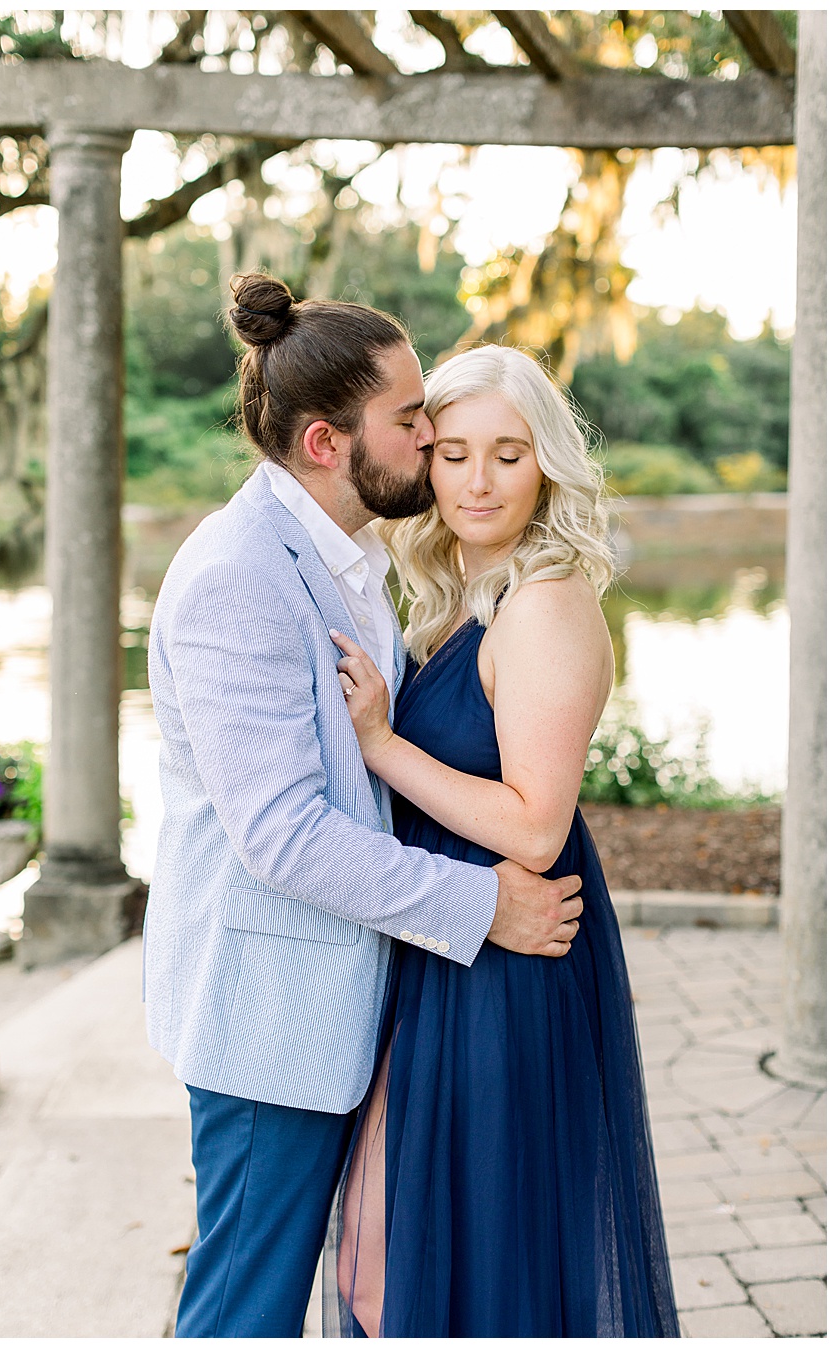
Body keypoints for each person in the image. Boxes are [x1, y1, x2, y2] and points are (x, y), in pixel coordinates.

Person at [143, 273, 585, 1337]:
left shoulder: (352, 557)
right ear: (329, 444)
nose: (431, 435)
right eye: (409, 417)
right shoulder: (235, 575)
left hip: (352, 1004)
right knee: (243, 1307)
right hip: (269, 1021)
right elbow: (283, 834)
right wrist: (481, 904)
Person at [329, 345, 677, 1336]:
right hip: (449, 942)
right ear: (425, 461)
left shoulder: (547, 604)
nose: (478, 481)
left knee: (475, 1255)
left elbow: (536, 823)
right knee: (388, 1259)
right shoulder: (455, 600)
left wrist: (382, 745)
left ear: (548, 466)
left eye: (509, 455)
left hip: (511, 960)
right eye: (456, 453)